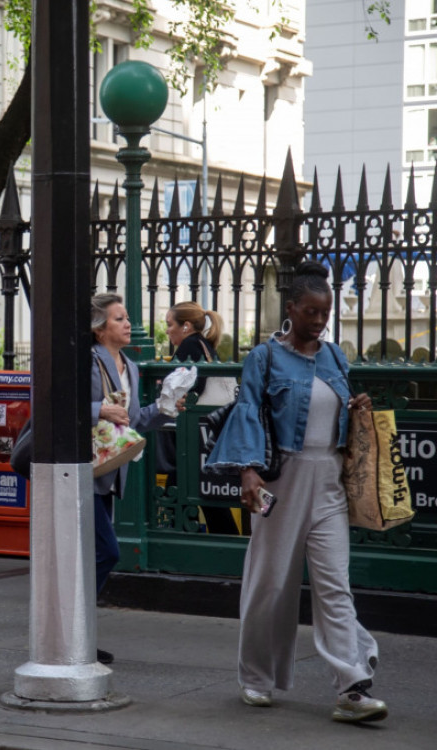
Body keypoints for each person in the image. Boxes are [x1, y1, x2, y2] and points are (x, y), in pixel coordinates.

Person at [206, 261, 387, 723]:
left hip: (329, 482)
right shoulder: (264, 358)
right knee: (271, 584)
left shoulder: (336, 357)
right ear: (291, 309)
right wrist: (248, 471)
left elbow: (337, 418)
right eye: (310, 312)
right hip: (281, 480)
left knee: (335, 587)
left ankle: (352, 687)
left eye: (324, 313)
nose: (319, 320)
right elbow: (248, 411)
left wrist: (357, 407)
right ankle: (256, 677)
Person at [91, 293, 169, 662]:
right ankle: (74, 631)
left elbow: (133, 420)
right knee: (107, 551)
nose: (127, 324)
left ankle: (78, 636)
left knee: (90, 556)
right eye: (119, 318)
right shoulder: (88, 360)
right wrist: (99, 409)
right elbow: (55, 399)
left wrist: (165, 408)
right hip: (81, 470)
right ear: (100, 327)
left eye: (126, 318)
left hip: (108, 471)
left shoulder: (132, 368)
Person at [156, 302, 239, 535]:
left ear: (186, 326)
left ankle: (179, 539)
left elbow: (190, 385)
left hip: (193, 434)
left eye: (169, 324)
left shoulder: (189, 345)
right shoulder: (203, 344)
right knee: (204, 493)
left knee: (190, 490)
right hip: (207, 432)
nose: (167, 330)